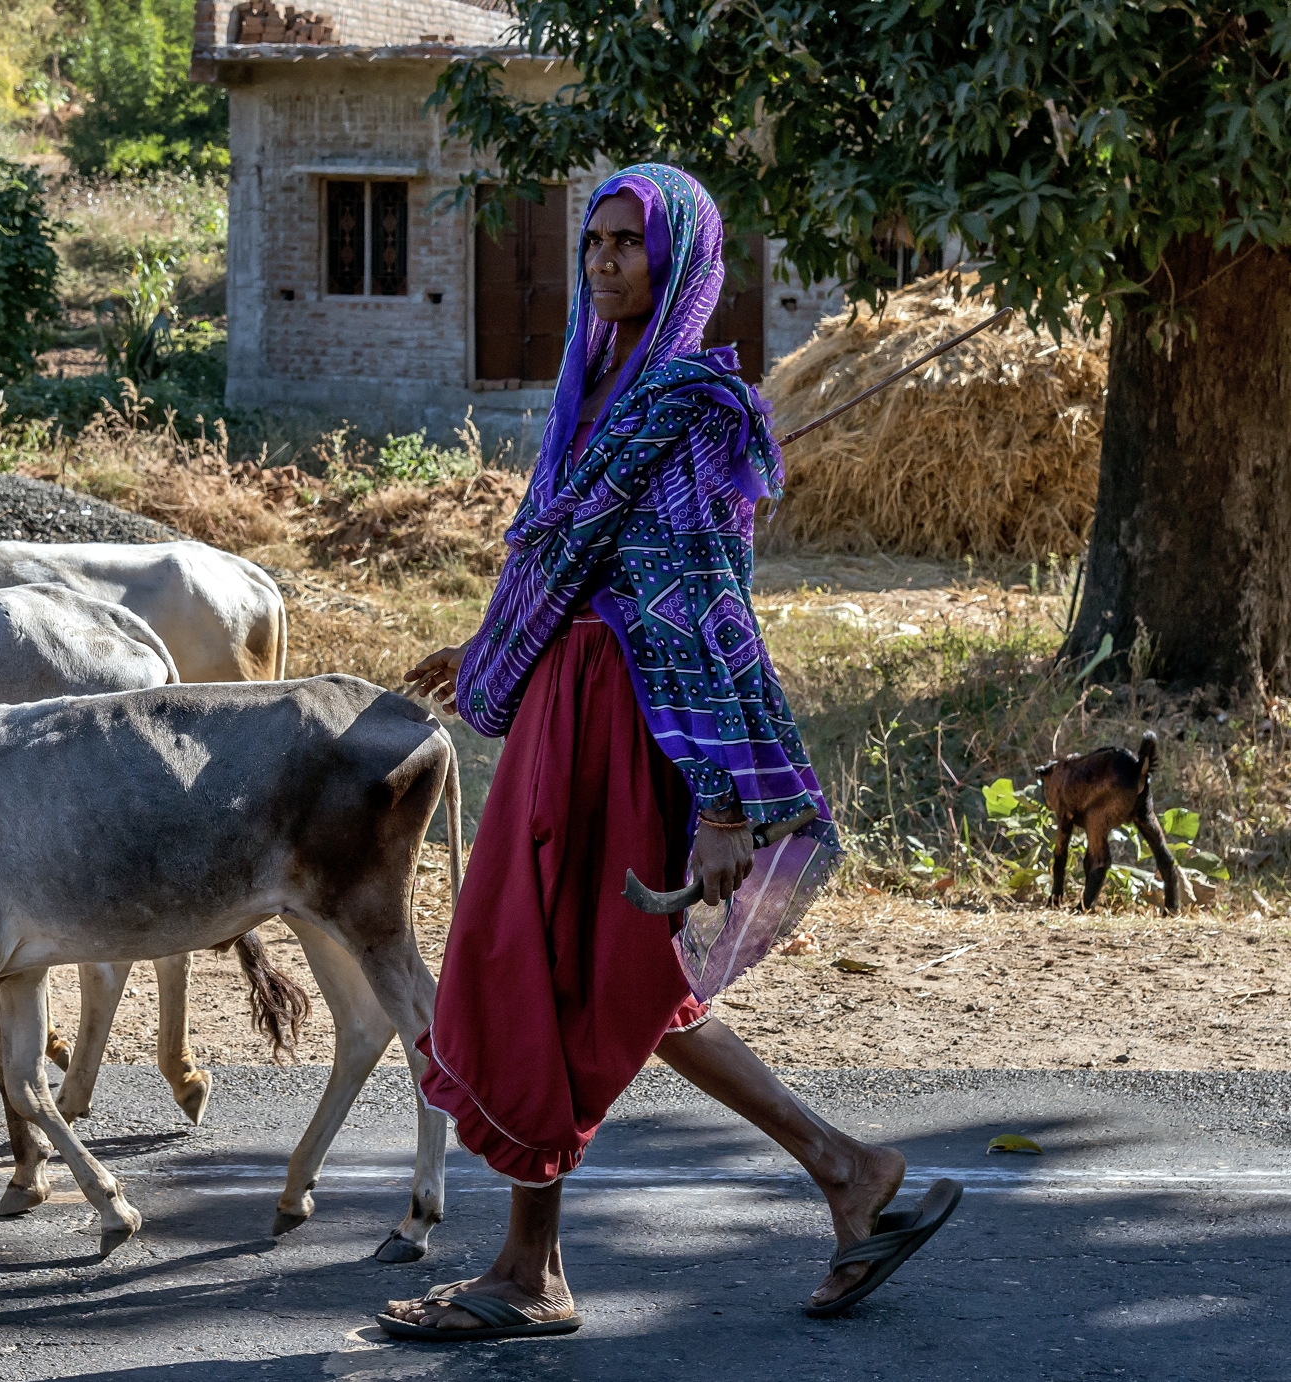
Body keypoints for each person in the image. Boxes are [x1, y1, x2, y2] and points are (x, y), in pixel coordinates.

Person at [377, 164, 959, 1341]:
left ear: (679, 260)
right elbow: (574, 559)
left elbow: (700, 602)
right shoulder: (594, 382)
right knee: (580, 965)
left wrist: (721, 800)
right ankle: (836, 1169)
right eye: (592, 241)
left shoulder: (688, 403)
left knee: (557, 964)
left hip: (630, 720)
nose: (602, 260)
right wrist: (490, 640)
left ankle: (538, 1269)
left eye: (626, 243)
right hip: (566, 705)